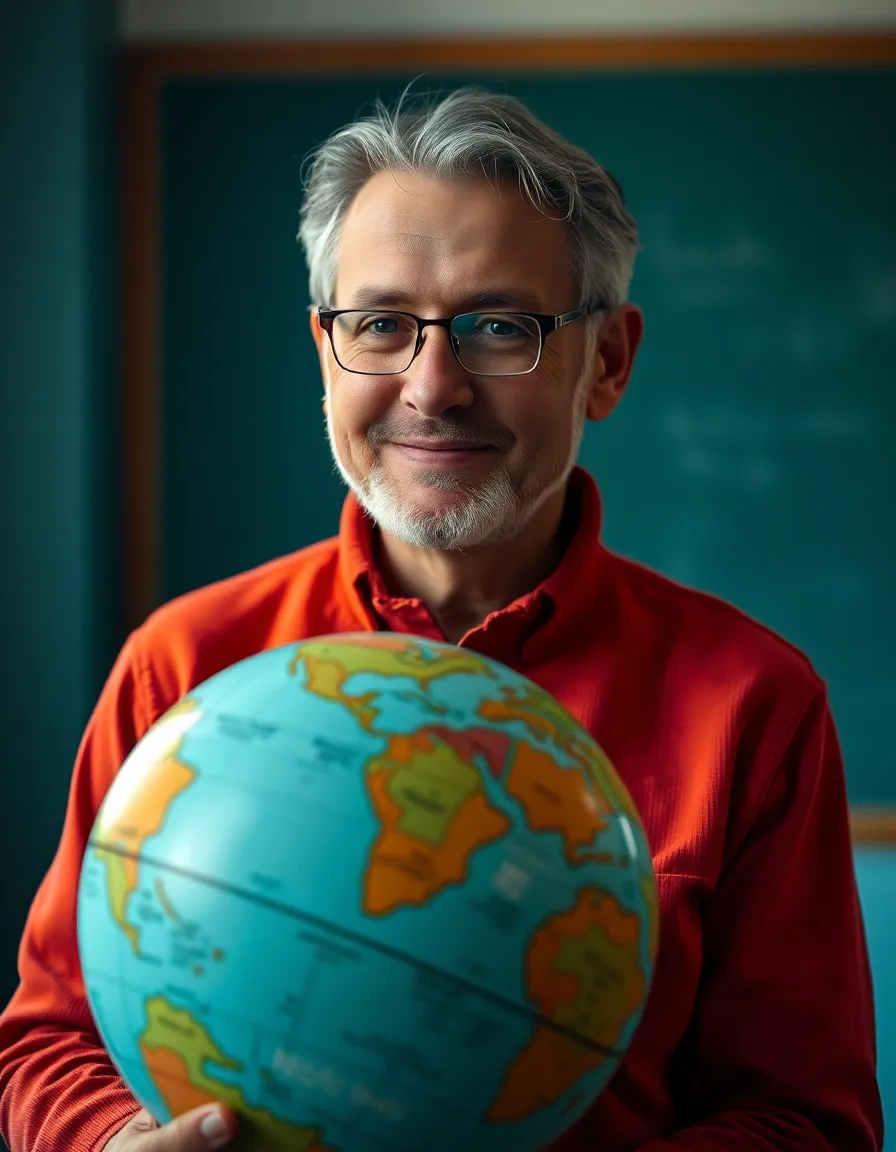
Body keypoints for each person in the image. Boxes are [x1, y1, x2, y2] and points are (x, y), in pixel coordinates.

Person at [0, 85, 883, 1152]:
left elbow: (805, 1117)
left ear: (606, 361)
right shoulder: (182, 665)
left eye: (497, 327)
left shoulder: (753, 704)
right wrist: (108, 1145)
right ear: (325, 350)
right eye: (379, 325)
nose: (431, 386)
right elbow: (50, 1044)